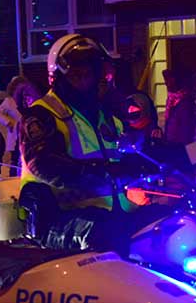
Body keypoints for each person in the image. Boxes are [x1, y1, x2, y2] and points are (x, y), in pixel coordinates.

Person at [19, 34, 161, 252]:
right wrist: (104, 172)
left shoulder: (107, 117)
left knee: (167, 223)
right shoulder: (42, 115)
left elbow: (134, 152)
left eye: (92, 71)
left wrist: (167, 160)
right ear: (59, 76)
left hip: (113, 215)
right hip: (59, 219)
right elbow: (45, 164)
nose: (87, 78)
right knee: (108, 232)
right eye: (79, 73)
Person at [0, 76, 41, 177]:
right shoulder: (9, 101)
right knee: (15, 160)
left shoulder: (30, 99)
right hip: (15, 135)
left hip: (28, 135)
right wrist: (7, 122)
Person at [162, 69, 195, 146]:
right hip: (171, 142)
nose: (166, 84)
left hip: (180, 145)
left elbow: (186, 128)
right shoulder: (171, 99)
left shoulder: (185, 102)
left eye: (168, 81)